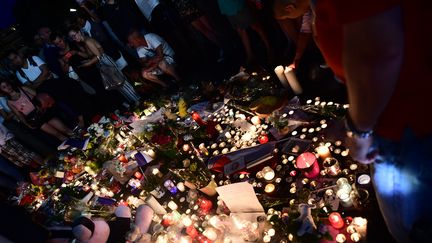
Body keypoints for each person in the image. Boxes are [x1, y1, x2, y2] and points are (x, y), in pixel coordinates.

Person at [275, 0, 432, 242]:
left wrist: (359, 131)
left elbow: (376, 53)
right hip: (402, 117)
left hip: (403, 125)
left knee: (409, 230)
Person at [68, 28, 141, 106]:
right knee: (118, 84)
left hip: (105, 62)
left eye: (74, 35)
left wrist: (89, 63)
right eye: (72, 37)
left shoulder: (87, 41)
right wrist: (78, 53)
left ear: (79, 32)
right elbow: (89, 55)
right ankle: (135, 101)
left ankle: (138, 99)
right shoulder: (84, 42)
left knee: (121, 82)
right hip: (102, 63)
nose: (74, 38)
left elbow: (99, 55)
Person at [0, 79, 72, 142]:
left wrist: (38, 104)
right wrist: (27, 124)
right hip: (35, 119)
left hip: (42, 111)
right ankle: (77, 147)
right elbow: (19, 115)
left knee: (65, 130)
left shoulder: (22, 89)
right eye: (4, 87)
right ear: (2, 91)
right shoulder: (9, 102)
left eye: (7, 85)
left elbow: (38, 94)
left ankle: (80, 139)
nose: (7, 87)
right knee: (57, 135)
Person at [217, 0, 274, 65]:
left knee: (254, 25)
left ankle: (269, 47)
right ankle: (250, 54)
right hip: (226, 7)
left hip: (237, 5)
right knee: (241, 30)